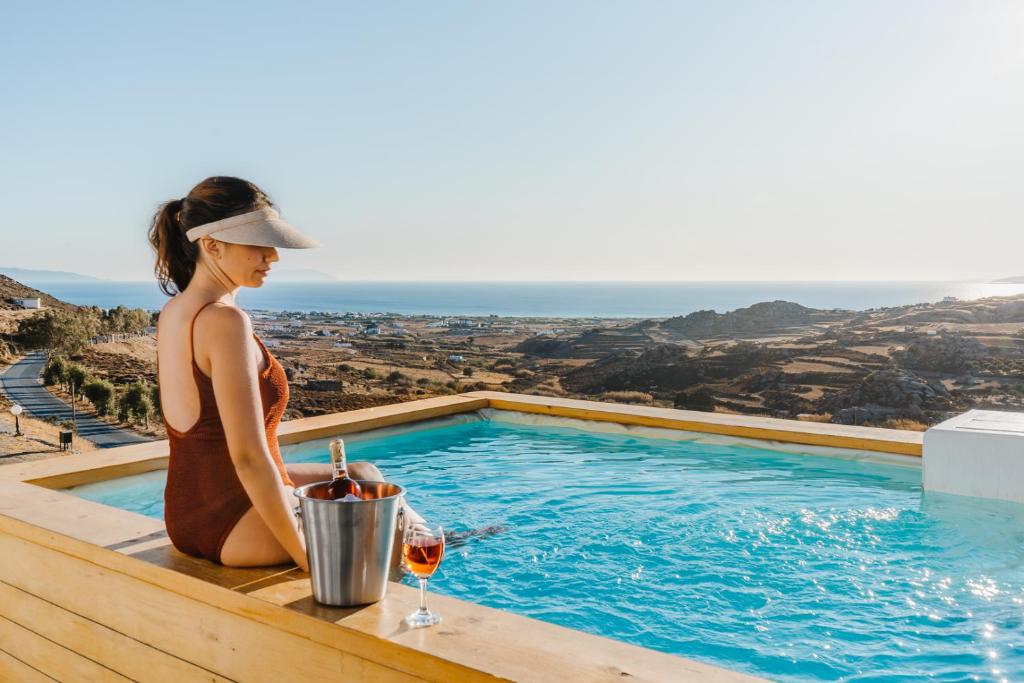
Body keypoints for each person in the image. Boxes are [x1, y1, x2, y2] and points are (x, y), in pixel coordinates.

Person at [148, 176, 424, 572]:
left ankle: (424, 548)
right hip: (234, 519)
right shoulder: (224, 321)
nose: (272, 256)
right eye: (258, 244)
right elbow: (248, 458)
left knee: (364, 475)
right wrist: (308, 559)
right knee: (404, 535)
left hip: (190, 513)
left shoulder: (176, 311)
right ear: (211, 245)